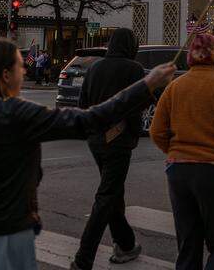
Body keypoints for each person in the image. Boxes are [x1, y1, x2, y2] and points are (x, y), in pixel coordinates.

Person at [0, 38, 172, 269]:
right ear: (5, 75)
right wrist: (146, 84)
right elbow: (89, 120)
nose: (24, 73)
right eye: (19, 67)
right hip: (6, 244)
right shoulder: (15, 114)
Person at [150, 33, 214, 270]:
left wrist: (176, 152)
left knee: (188, 246)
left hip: (179, 172)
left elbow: (157, 131)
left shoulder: (175, 86)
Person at [72, 28, 148, 270]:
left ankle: (125, 244)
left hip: (95, 139)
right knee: (106, 198)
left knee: (112, 193)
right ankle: (83, 260)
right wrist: (133, 134)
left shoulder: (94, 67)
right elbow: (137, 105)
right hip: (118, 140)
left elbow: (82, 103)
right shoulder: (133, 69)